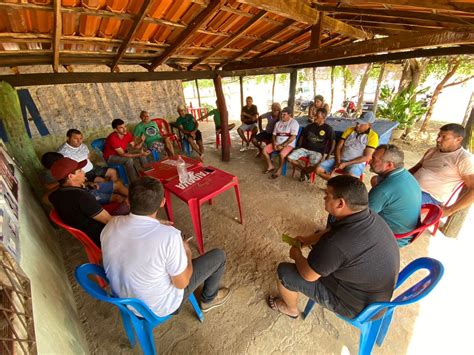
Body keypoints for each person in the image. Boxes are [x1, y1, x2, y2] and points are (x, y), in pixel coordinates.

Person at [267, 175, 399, 319]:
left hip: (358, 307)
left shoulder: (336, 243)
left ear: (340, 203)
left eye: (327, 196)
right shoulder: (368, 216)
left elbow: (308, 275)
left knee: (285, 272)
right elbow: (331, 231)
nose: (324, 199)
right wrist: (307, 240)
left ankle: (291, 310)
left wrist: (297, 255)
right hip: (375, 293)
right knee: (322, 243)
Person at [101, 177, 231, 317]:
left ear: (127, 201)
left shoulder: (111, 224)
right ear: (163, 202)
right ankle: (208, 299)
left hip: (124, 301)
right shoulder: (170, 237)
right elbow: (181, 284)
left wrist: (155, 225)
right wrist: (187, 253)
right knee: (219, 256)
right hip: (158, 308)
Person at [409, 123, 474, 217]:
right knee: (382, 187)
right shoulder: (432, 151)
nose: (438, 140)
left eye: (444, 137)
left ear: (458, 139)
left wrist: (450, 210)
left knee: (395, 203)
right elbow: (416, 168)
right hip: (411, 186)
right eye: (439, 136)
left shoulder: (463, 159)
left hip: (430, 196)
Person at [49, 157, 112, 247]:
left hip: (87, 235)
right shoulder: (82, 197)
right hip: (103, 236)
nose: (84, 172)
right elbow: (108, 220)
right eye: (80, 171)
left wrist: (82, 184)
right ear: (71, 176)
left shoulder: (55, 195)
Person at [369, 144, 422, 247]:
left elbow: (360, 217)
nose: (370, 162)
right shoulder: (405, 175)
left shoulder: (383, 190)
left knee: (339, 213)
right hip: (406, 232)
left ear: (389, 165)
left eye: (374, 159)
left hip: (392, 238)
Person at [41, 152, 128, 207]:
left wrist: (86, 183)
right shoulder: (51, 177)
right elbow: (46, 196)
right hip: (85, 193)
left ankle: (136, 198)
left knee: (118, 184)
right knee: (118, 198)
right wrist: (64, 181)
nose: (82, 172)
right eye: (80, 171)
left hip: (85, 187)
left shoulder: (70, 178)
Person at [316, 111, 378, 180]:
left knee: (350, 177)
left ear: (369, 125)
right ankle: (336, 183)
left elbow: (367, 157)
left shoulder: (373, 136)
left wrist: (346, 164)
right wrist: (338, 161)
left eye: (361, 124)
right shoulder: (349, 130)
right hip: (340, 159)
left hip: (356, 163)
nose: (358, 125)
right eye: (357, 122)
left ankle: (335, 184)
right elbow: (338, 147)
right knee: (318, 169)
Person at [287, 108, 335, 181]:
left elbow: (333, 142)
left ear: (324, 117)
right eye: (315, 114)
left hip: (317, 152)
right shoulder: (309, 126)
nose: (314, 116)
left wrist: (328, 155)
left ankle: (304, 171)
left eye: (317, 115)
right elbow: (302, 137)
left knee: (316, 167)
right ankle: (304, 170)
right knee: (289, 158)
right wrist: (298, 147)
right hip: (304, 149)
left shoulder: (328, 129)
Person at [103, 119, 150, 183]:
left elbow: (134, 147)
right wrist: (139, 154)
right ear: (115, 130)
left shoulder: (127, 134)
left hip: (122, 152)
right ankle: (134, 182)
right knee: (128, 160)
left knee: (141, 153)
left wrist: (142, 141)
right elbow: (122, 154)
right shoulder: (112, 138)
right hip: (111, 157)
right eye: (121, 128)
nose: (125, 129)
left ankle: (148, 175)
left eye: (125, 126)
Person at [262, 107, 299, 179]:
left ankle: (279, 170)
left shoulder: (294, 123)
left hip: (288, 144)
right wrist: (274, 144)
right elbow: (273, 135)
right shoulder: (278, 123)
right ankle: (270, 166)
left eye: (284, 115)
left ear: (290, 115)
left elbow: (293, 137)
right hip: (277, 143)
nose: (282, 116)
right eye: (282, 114)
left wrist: (283, 145)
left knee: (281, 154)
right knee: (264, 150)